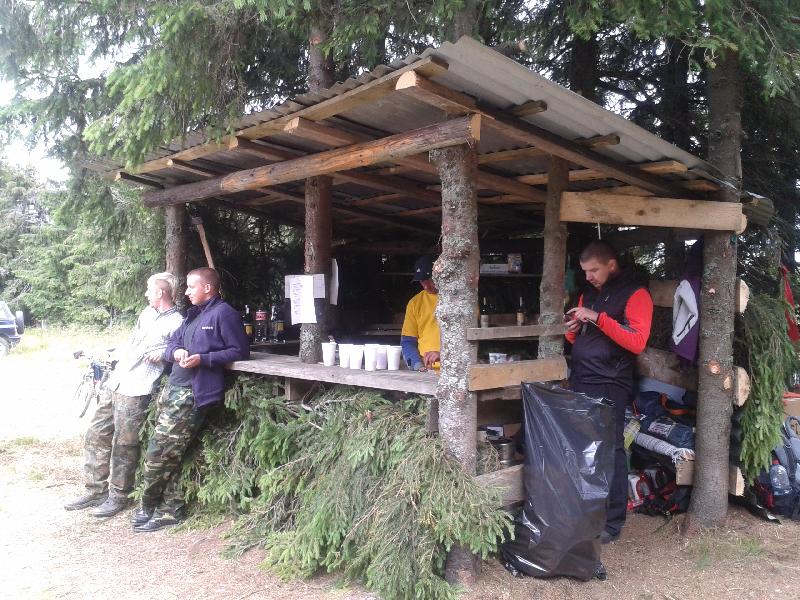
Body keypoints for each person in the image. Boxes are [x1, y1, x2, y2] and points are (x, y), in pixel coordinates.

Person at [131, 267, 250, 532]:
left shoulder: (224, 314)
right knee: (170, 453)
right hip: (173, 389)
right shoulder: (193, 315)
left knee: (159, 453)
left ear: (207, 288)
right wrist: (177, 352)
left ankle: (148, 506)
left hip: (193, 393)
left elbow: (240, 351)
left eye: (191, 287)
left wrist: (204, 359)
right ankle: (170, 508)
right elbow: (172, 344)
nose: (185, 292)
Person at [64, 272, 183, 517]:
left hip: (138, 388)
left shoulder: (177, 322)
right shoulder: (146, 313)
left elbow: (176, 351)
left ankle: (119, 496)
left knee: (125, 444)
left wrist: (163, 353)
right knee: (96, 433)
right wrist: (111, 355)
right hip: (117, 381)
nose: (146, 294)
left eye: (149, 290)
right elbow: (132, 344)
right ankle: (95, 490)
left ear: (160, 292)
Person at [565, 241, 653, 544]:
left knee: (610, 450)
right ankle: (587, 510)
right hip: (582, 379)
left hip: (610, 383)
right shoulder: (589, 293)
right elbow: (579, 339)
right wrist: (573, 328)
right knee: (583, 448)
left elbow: (637, 341)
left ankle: (613, 520)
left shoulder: (636, 294)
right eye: (585, 271)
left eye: (594, 270)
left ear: (611, 265)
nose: (588, 276)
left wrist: (597, 317)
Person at [401, 255, 441, 371]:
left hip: (455, 369)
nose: (426, 286)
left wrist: (443, 355)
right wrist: (418, 365)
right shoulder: (415, 303)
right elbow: (408, 341)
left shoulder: (458, 300)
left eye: (430, 280)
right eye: (422, 281)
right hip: (427, 370)